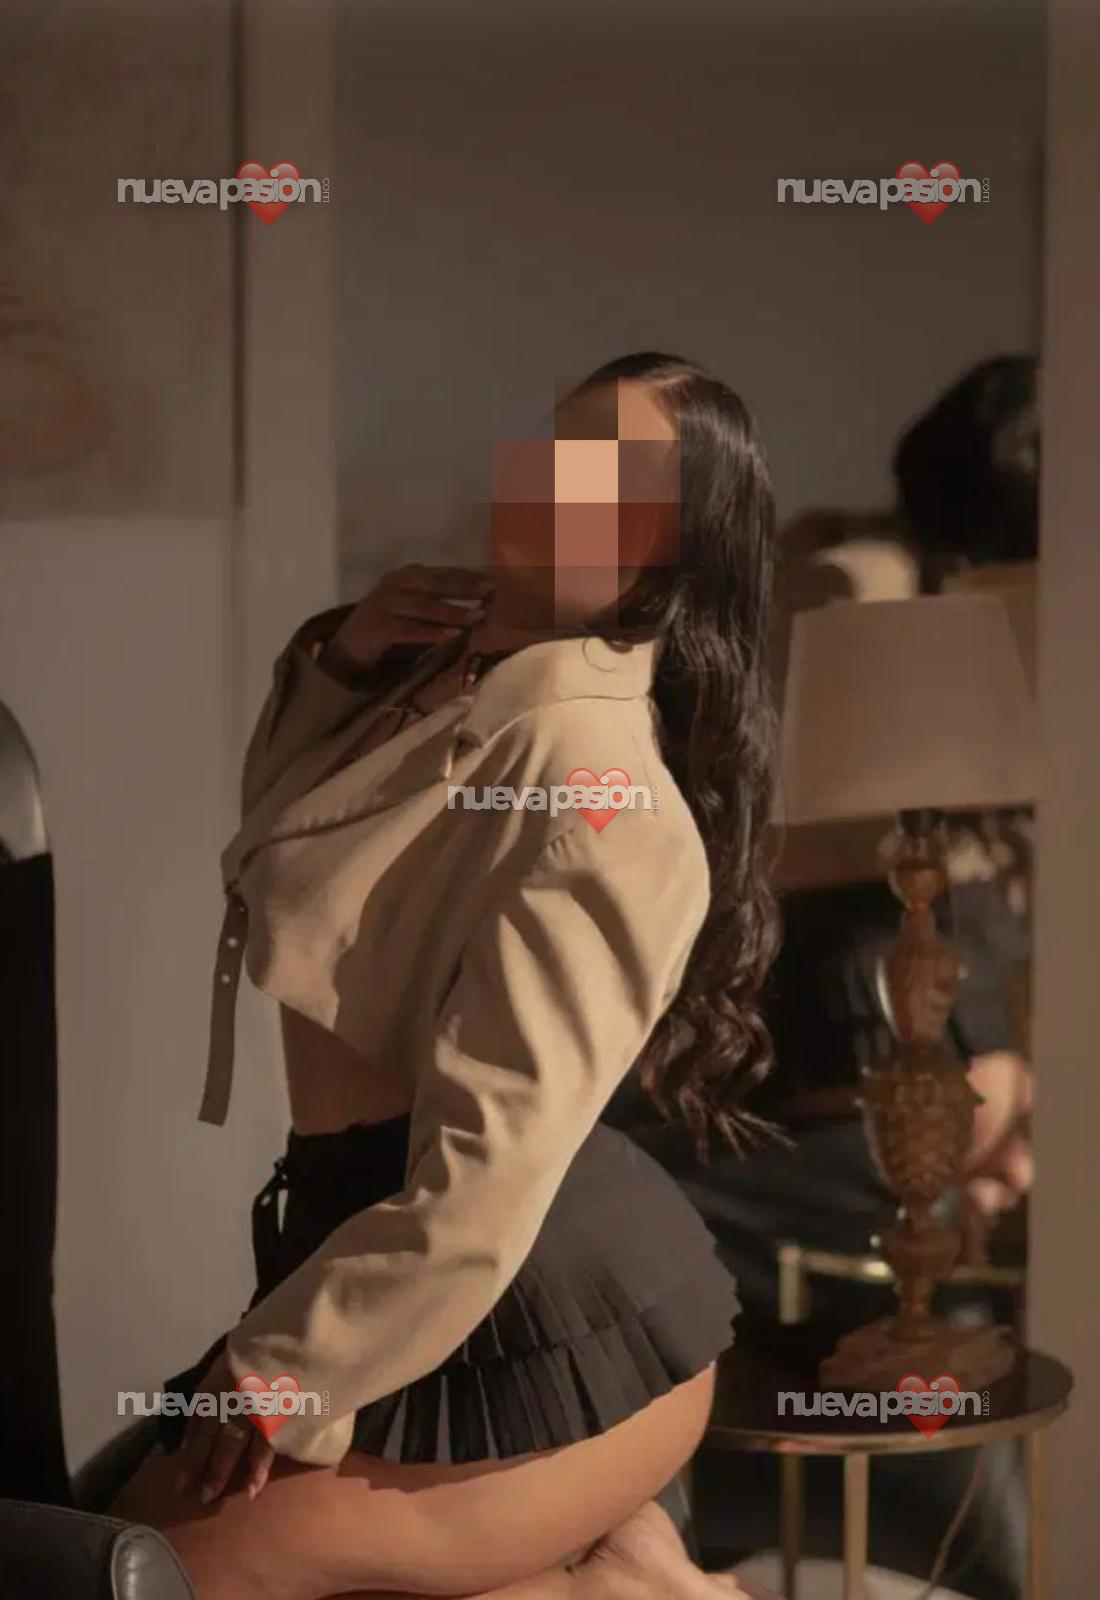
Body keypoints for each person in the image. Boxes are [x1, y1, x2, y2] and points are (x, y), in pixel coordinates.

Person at [112, 353, 780, 1600]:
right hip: (372, 1241)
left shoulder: (597, 778)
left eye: (613, 472)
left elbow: (488, 1175)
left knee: (149, 1570)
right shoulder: (458, 679)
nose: (555, 479)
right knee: (117, 1531)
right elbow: (281, 856)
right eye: (556, 443)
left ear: (674, 544)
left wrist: (278, 1372)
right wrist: (348, 661)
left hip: (511, 1276)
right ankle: (621, 1566)